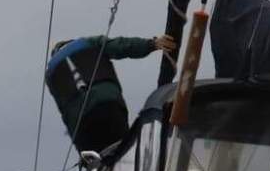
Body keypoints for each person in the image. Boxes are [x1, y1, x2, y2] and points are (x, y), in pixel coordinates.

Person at [45, 34, 177, 154]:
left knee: (96, 161)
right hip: (108, 105)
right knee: (124, 150)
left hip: (80, 122)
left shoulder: (50, 73)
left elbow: (63, 111)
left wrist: (79, 147)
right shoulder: (88, 43)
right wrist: (152, 44)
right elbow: (122, 46)